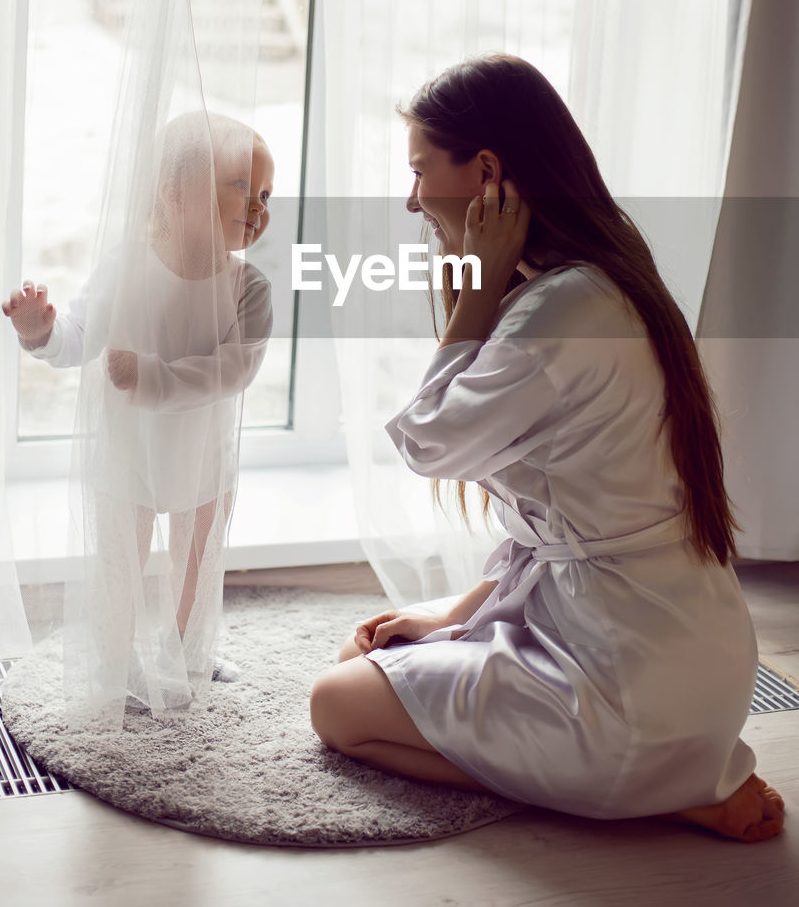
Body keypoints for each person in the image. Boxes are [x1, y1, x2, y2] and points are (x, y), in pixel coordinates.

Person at [310, 54, 785, 842]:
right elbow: (557, 521)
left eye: (421, 171)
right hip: (683, 664)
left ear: (486, 170)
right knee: (381, 650)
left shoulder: (554, 312)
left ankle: (650, 791)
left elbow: (429, 445)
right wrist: (454, 619)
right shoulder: (598, 284)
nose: (410, 199)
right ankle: (653, 774)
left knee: (336, 704)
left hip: (628, 690)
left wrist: (475, 296)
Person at [3, 112, 274, 714]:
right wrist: (40, 333)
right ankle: (114, 658)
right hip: (130, 448)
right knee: (120, 557)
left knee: (198, 553)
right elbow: (79, 338)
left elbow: (237, 369)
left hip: (204, 448)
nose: (256, 207)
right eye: (240, 188)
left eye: (265, 194)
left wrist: (150, 377)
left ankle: (186, 648)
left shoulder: (249, 286)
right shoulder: (127, 265)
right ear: (174, 194)